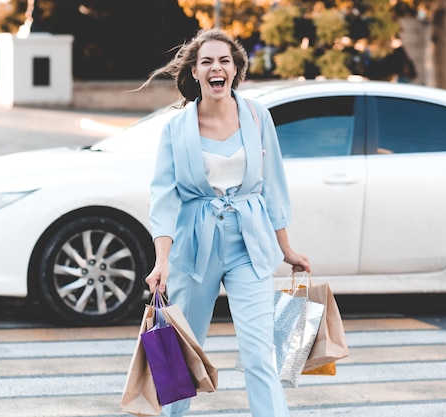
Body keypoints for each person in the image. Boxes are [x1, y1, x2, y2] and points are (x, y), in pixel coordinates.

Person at [142, 28, 311, 417]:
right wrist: (162, 260)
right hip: (193, 247)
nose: (216, 68)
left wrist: (286, 249)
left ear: (235, 70)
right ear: (196, 73)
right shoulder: (176, 129)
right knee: (183, 347)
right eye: (207, 62)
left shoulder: (257, 116)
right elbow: (164, 198)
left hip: (248, 245)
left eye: (224, 61)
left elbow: (273, 186)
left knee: (260, 351)